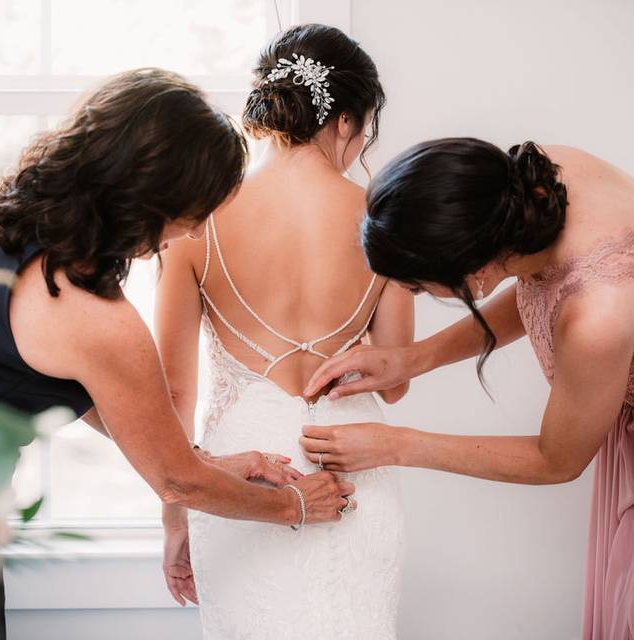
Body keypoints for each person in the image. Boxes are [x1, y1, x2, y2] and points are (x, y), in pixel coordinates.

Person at [302, 138, 634, 639]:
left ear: (475, 271)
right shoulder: (532, 184)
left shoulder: (598, 317)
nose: (423, 296)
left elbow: (556, 460)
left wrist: (397, 445)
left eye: (422, 288)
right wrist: (412, 358)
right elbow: (541, 280)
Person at [0, 69, 354, 537]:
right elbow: (178, 484)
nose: (197, 232)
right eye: (196, 212)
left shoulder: (3, 216)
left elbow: (64, 383)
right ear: (152, 195)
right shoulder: (93, 317)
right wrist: (293, 505)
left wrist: (197, 460)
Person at [154, 24, 414, 639]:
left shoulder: (200, 217)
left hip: (241, 478)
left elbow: (172, 395)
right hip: (354, 466)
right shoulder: (383, 216)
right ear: (346, 119)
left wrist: (175, 517)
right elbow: (397, 379)